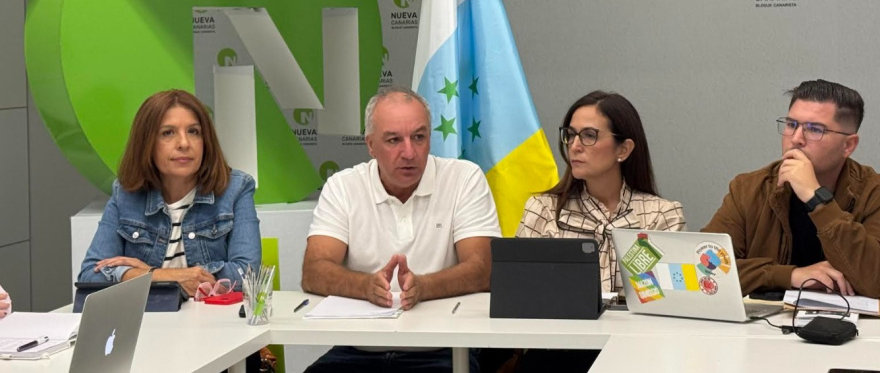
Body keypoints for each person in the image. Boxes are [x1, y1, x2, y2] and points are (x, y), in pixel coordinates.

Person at [301, 86, 501, 372]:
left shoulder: (464, 179)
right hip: (358, 350)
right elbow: (314, 271)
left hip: (442, 350)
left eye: (418, 137)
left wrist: (424, 287)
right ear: (371, 145)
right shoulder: (343, 186)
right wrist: (365, 287)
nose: (409, 152)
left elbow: (483, 270)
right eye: (394, 140)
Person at [703, 79, 880, 298]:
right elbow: (704, 267)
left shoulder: (874, 192)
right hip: (767, 319)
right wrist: (790, 275)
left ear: (848, 145)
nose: (796, 139)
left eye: (814, 129)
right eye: (791, 125)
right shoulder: (748, 189)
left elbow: (875, 280)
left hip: (853, 320)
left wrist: (816, 198)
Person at [78, 89, 260, 296]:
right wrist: (161, 276)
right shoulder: (126, 194)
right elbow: (90, 276)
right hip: (151, 315)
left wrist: (142, 275)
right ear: (146, 143)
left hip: (210, 315)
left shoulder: (235, 188)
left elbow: (247, 274)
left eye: (193, 131)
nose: (184, 143)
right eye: (168, 133)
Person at [517, 91, 686, 293]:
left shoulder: (660, 217)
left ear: (623, 149)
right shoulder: (543, 210)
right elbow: (520, 291)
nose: (574, 146)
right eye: (570, 135)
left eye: (589, 135)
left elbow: (671, 300)